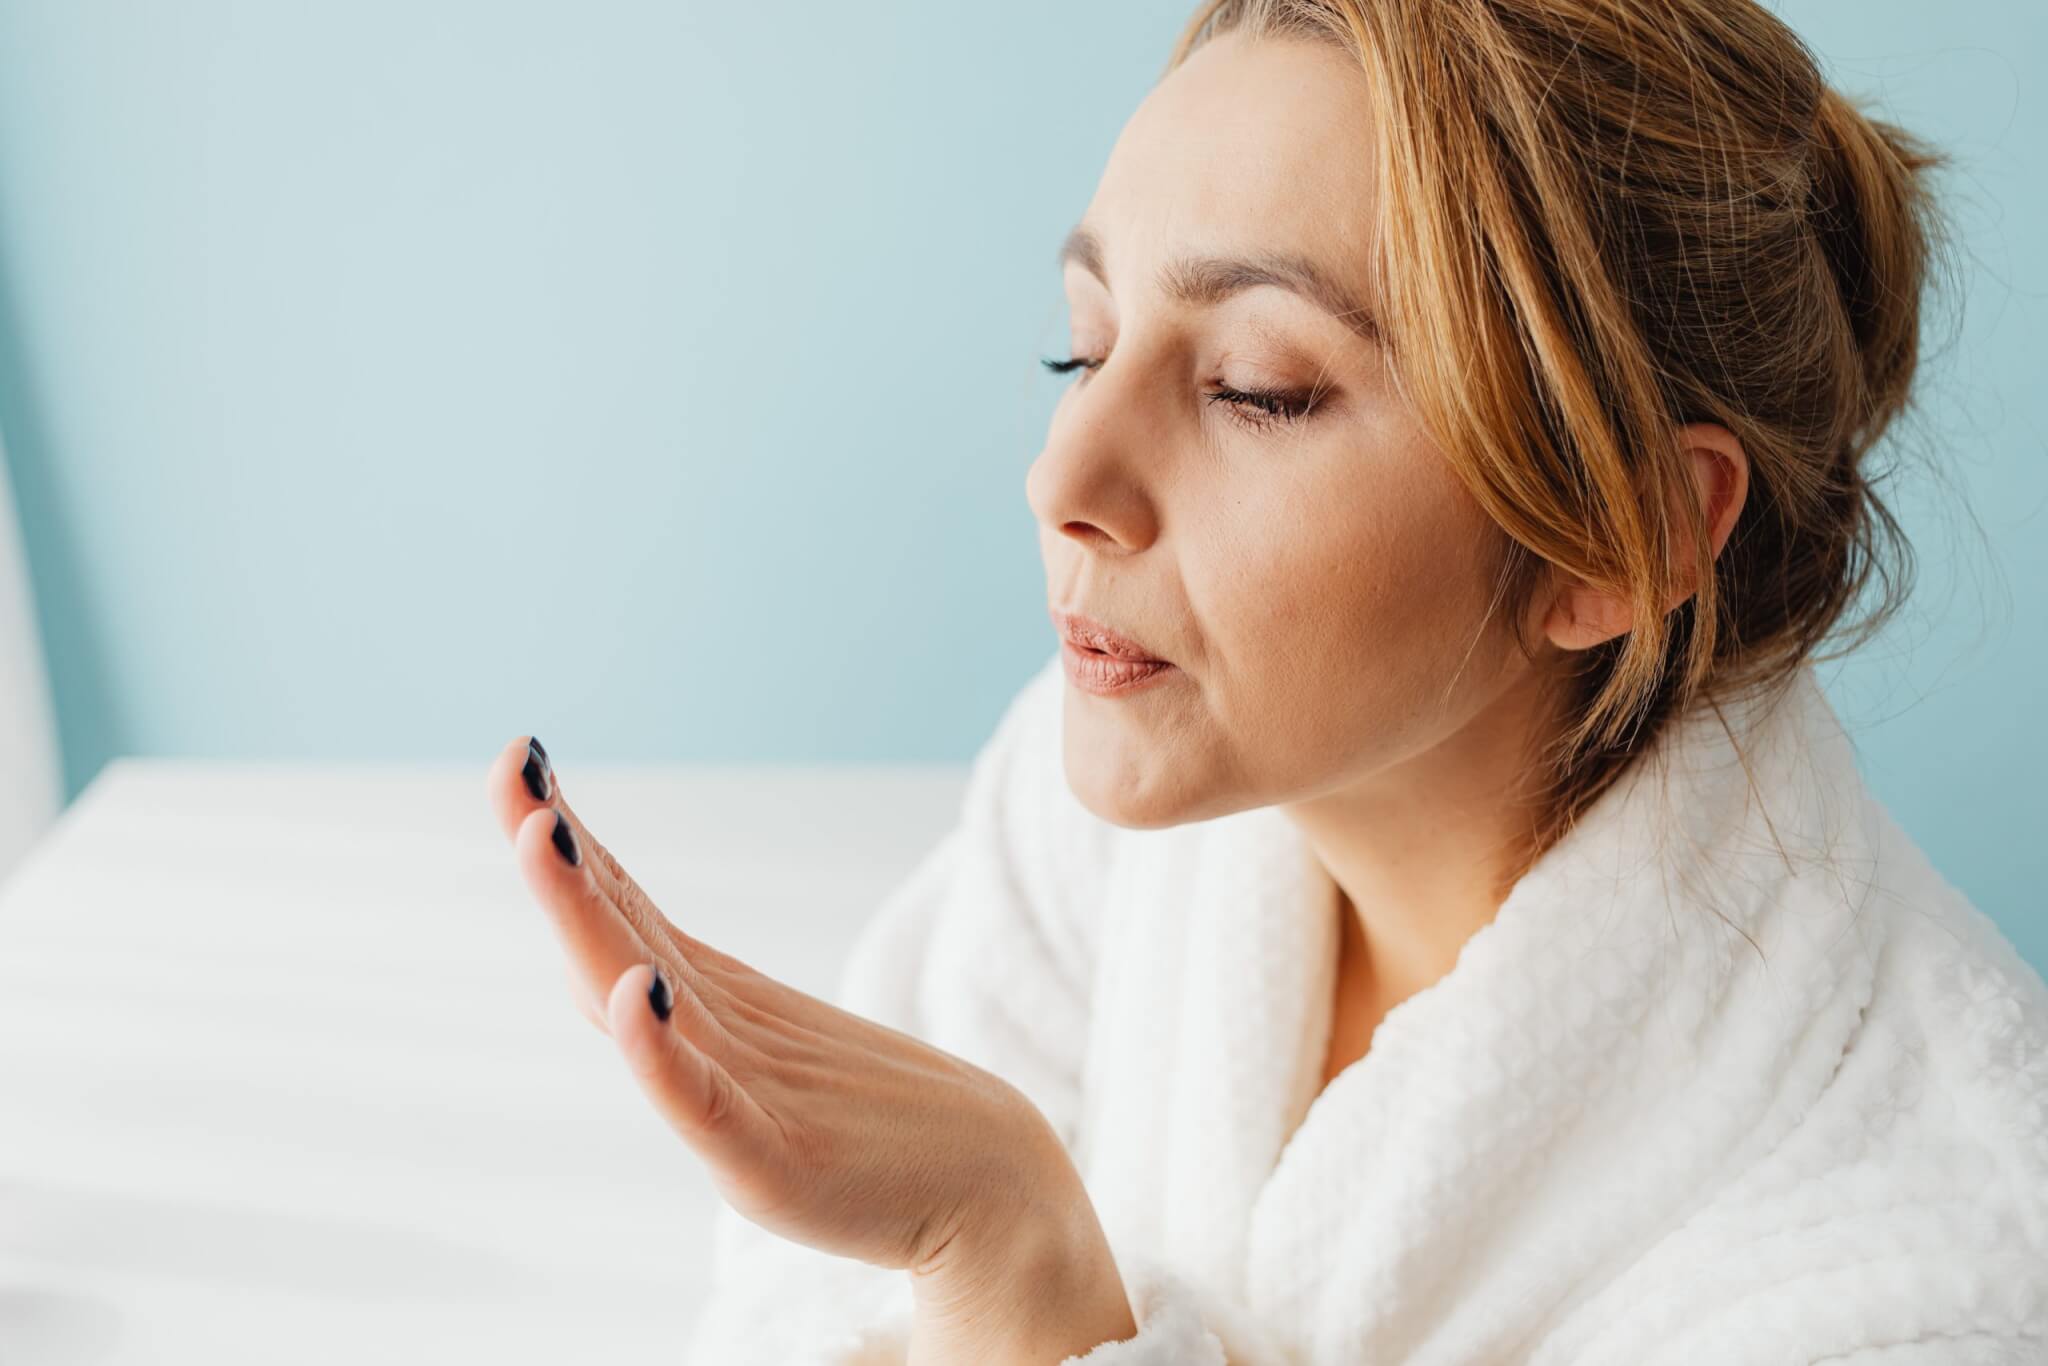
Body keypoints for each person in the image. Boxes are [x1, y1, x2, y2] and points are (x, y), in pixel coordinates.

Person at [485, 1, 2048, 1361]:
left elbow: (942, 1265)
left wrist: (1013, 1251)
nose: (1064, 473)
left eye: (1255, 388)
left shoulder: (1933, 1264)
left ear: (1614, 536)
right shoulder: (1100, 804)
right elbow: (794, 1299)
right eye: (1083, 347)